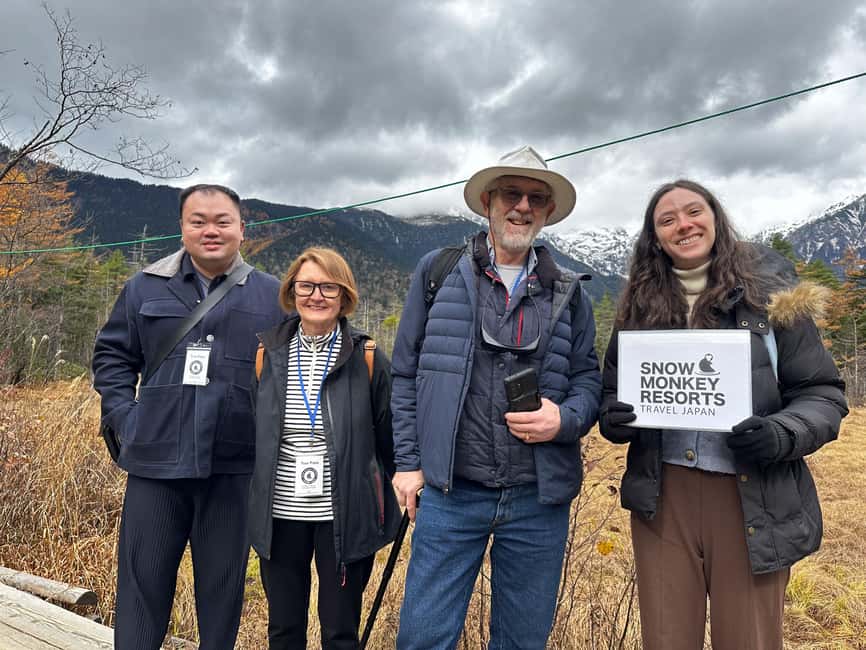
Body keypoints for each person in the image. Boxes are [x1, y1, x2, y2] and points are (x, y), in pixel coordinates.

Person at [598, 179, 849, 649]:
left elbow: (823, 393)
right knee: (667, 638)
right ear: (655, 237)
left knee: (747, 639)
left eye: (693, 212)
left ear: (716, 218)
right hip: (662, 497)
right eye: (667, 220)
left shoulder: (771, 296)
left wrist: (780, 432)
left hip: (752, 495)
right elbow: (613, 390)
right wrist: (612, 418)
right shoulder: (638, 305)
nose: (683, 225)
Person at [391, 145, 602, 649]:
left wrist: (565, 420)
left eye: (535, 198)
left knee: (523, 642)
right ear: (488, 201)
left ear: (547, 212)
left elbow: (590, 382)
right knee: (423, 638)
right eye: (511, 193)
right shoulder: (437, 273)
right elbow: (404, 374)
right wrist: (407, 462)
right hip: (450, 492)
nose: (522, 206)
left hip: (537, 497)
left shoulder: (570, 292)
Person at [92, 184, 284, 649]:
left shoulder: (273, 295)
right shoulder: (144, 287)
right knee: (141, 590)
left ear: (242, 228)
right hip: (155, 465)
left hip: (233, 468)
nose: (210, 230)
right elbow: (112, 358)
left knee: (221, 596)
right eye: (198, 221)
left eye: (222, 220)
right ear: (182, 227)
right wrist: (127, 419)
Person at [247, 246, 401, 649]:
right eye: (307, 286)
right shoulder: (268, 355)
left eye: (328, 287)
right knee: (283, 630)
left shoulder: (367, 358)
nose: (316, 296)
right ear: (292, 291)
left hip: (344, 517)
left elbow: (390, 442)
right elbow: (257, 433)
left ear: (344, 295)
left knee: (339, 632)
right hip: (280, 516)